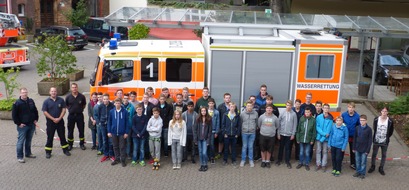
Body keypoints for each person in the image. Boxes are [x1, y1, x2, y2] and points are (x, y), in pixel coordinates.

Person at [42, 87, 71, 159]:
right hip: (50, 123)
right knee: (50, 137)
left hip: (60, 122)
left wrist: (59, 118)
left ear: (56, 92)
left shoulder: (61, 100)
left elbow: (64, 110)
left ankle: (65, 150)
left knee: (62, 136)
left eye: (54, 91)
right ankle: (48, 152)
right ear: (49, 92)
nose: (53, 93)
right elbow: (45, 112)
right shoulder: (46, 101)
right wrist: (53, 119)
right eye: (52, 91)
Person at [12, 87, 39, 163]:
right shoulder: (17, 103)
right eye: (23, 92)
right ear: (20, 93)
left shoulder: (31, 101)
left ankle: (28, 153)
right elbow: (14, 115)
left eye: (26, 92)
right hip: (23, 126)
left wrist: (36, 119)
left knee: (29, 140)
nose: (25, 94)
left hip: (31, 124)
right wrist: (19, 123)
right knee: (21, 141)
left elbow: (35, 110)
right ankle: (20, 157)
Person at [368, 107, 394, 176]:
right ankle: (372, 166)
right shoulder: (376, 119)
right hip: (376, 140)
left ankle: (381, 167)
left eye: (386, 111)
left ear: (387, 112)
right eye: (383, 111)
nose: (384, 113)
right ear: (381, 112)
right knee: (374, 154)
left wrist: (386, 137)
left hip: (385, 141)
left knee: (384, 155)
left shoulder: (390, 121)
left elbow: (391, 131)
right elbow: (374, 128)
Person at [107, 98, 130, 167]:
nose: (117, 104)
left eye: (119, 103)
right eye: (116, 103)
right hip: (113, 133)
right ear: (114, 104)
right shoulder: (111, 111)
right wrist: (109, 131)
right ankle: (117, 159)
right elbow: (109, 122)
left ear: (121, 103)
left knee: (122, 147)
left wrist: (126, 132)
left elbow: (127, 123)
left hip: (122, 133)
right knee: (115, 146)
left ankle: (123, 160)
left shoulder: (125, 112)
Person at [65, 83, 87, 150]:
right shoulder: (68, 97)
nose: (74, 89)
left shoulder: (82, 96)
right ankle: (70, 144)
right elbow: (66, 105)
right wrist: (71, 109)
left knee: (81, 130)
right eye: (73, 87)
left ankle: (82, 144)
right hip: (71, 116)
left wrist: (80, 110)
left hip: (79, 116)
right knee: (70, 130)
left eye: (75, 87)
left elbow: (84, 105)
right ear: (71, 88)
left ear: (77, 88)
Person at [276, 100, 297, 169]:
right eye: (287, 105)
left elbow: (295, 125)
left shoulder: (294, 114)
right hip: (282, 134)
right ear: (286, 105)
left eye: (290, 105)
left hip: (289, 135)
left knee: (288, 148)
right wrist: (278, 133)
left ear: (291, 106)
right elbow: (278, 123)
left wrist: (293, 134)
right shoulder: (282, 113)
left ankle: (287, 161)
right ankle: (279, 160)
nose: (288, 107)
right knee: (281, 148)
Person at [94, 93, 115, 162]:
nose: (105, 100)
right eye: (104, 99)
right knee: (104, 140)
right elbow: (99, 115)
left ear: (109, 99)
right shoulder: (100, 106)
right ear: (102, 99)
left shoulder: (112, 106)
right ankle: (106, 155)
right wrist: (100, 122)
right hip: (103, 125)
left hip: (110, 126)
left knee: (110, 141)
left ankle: (111, 155)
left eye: (107, 99)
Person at [314, 103, 333, 172]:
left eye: (327, 108)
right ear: (322, 109)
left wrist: (323, 138)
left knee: (325, 151)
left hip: (325, 139)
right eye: (324, 108)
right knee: (318, 151)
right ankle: (318, 164)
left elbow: (329, 130)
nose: (326, 109)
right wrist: (323, 135)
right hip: (319, 137)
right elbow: (317, 127)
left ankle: (323, 165)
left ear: (329, 109)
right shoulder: (319, 117)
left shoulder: (330, 118)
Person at [353, 115, 373, 179]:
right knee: (357, 161)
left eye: (363, 120)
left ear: (366, 121)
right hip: (357, 148)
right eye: (360, 120)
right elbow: (354, 138)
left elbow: (370, 141)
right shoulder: (357, 128)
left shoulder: (369, 129)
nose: (362, 122)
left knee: (363, 162)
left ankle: (362, 173)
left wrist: (368, 150)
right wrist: (354, 147)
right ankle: (358, 171)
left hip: (364, 149)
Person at [341, 102, 360, 170]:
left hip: (353, 136)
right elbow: (341, 124)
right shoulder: (343, 115)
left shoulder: (357, 116)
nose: (351, 109)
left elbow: (358, 126)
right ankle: (340, 162)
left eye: (352, 107)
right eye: (349, 107)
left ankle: (353, 163)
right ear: (347, 108)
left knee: (353, 150)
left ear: (354, 108)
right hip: (344, 136)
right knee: (342, 149)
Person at [240, 100, 258, 168]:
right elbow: (241, 122)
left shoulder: (255, 113)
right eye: (248, 106)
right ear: (246, 106)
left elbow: (256, 122)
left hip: (252, 133)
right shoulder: (242, 114)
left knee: (250, 147)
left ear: (252, 106)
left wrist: (254, 128)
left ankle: (251, 160)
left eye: (250, 106)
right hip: (244, 132)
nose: (249, 107)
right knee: (244, 147)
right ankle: (243, 160)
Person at [217, 92, 235, 159]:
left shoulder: (233, 107)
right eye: (226, 98)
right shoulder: (220, 107)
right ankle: (219, 153)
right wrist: (219, 127)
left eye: (229, 98)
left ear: (230, 98)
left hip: (230, 128)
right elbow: (218, 118)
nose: (227, 99)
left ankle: (230, 153)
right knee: (221, 141)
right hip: (222, 127)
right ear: (224, 99)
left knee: (230, 142)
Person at [194, 107, 212, 172]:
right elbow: (195, 129)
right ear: (200, 112)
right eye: (202, 111)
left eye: (204, 111)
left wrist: (208, 140)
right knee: (200, 152)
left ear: (206, 111)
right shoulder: (197, 119)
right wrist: (195, 139)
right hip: (199, 138)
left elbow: (210, 131)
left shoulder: (209, 119)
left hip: (205, 139)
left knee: (204, 152)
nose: (203, 112)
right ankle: (202, 165)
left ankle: (205, 164)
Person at [221, 102, 240, 166]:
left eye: (233, 107)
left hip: (234, 135)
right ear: (229, 107)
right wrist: (224, 133)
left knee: (233, 148)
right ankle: (225, 160)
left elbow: (239, 125)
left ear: (235, 108)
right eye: (231, 107)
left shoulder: (237, 115)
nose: (232, 108)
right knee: (226, 148)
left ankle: (233, 160)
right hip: (227, 135)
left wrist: (237, 133)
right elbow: (223, 124)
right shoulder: (225, 114)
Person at [123, 93, 135, 160]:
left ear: (129, 99)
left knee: (128, 141)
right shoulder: (120, 106)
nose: (126, 99)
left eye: (127, 98)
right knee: (122, 142)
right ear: (123, 99)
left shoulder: (132, 107)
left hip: (129, 127)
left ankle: (128, 154)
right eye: (124, 98)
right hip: (121, 127)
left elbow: (133, 117)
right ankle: (123, 154)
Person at [207, 98, 220, 164]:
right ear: (208, 104)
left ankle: (212, 157)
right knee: (206, 144)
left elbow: (218, 122)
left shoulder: (216, 112)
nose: (211, 104)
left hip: (213, 131)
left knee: (212, 144)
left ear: (214, 104)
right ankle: (207, 157)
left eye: (212, 103)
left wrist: (216, 132)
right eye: (210, 103)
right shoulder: (205, 111)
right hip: (206, 131)